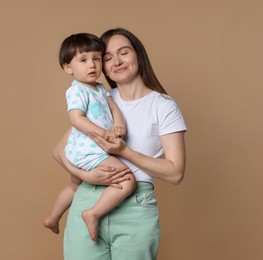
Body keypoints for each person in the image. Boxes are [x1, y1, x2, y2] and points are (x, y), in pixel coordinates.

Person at [53, 28, 187, 260]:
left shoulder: (163, 105)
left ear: (138, 55)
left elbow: (175, 172)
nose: (117, 61)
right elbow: (58, 151)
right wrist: (86, 177)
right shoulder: (98, 97)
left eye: (124, 52)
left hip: (135, 205)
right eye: (107, 57)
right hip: (87, 200)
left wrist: (125, 151)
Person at [43, 33, 136, 241]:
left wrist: (119, 124)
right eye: (83, 60)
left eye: (96, 58)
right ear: (69, 68)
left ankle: (53, 217)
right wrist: (105, 133)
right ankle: (93, 213)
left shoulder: (101, 88)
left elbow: (114, 109)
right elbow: (76, 119)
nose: (92, 65)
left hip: (83, 149)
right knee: (128, 179)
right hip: (89, 150)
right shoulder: (77, 90)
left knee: (74, 186)